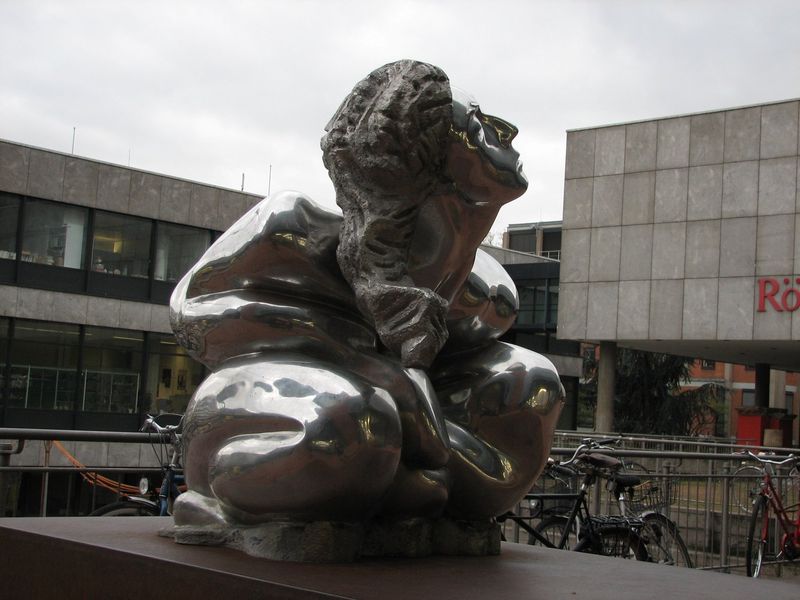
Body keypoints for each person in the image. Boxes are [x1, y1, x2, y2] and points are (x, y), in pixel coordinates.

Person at [170, 60, 563, 529]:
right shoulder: (292, 228)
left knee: (531, 382)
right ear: (426, 159)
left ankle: (400, 486)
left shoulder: (487, 292)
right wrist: (362, 361)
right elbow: (190, 312)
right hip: (263, 401)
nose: (507, 131)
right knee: (360, 421)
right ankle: (227, 499)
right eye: (478, 125)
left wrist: (415, 403)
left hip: (407, 420)